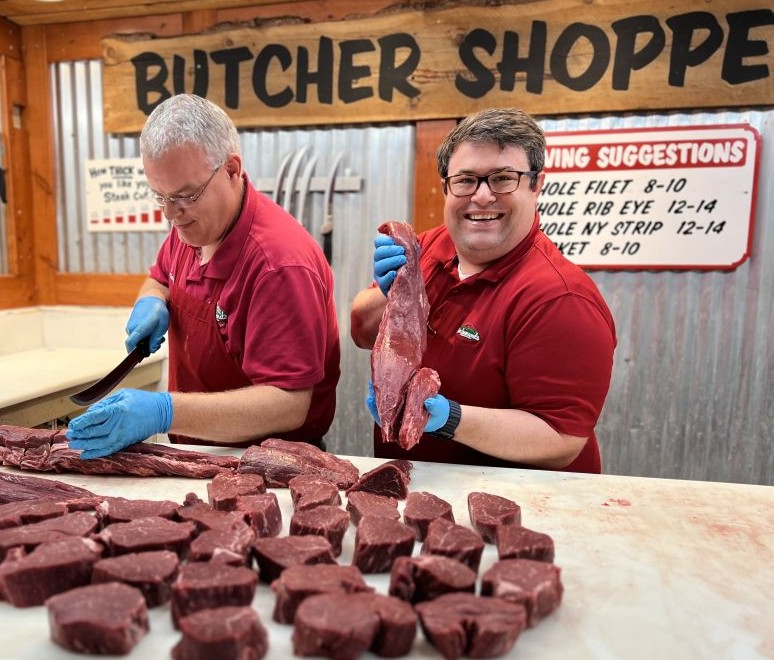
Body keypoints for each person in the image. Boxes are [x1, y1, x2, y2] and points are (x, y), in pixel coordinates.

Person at [67, 94, 340, 458]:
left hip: (266, 464)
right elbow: (160, 277)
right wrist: (152, 299)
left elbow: (288, 404)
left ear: (231, 170)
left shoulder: (279, 264)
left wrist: (164, 411)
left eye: (185, 195)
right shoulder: (192, 227)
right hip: (198, 453)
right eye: (159, 196)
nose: (170, 214)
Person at [350, 107, 616, 473]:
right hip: (413, 485)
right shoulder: (427, 248)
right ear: (446, 186)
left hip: (515, 499)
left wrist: (449, 418)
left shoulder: (560, 298)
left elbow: (560, 438)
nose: (482, 196)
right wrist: (388, 294)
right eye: (466, 180)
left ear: (536, 185)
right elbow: (363, 333)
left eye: (503, 178)